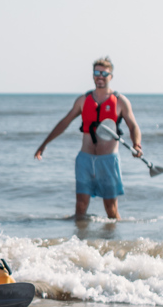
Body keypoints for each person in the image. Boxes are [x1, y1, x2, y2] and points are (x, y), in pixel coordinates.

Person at [34, 56, 143, 220]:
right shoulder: (83, 100)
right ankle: (79, 243)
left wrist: (137, 144)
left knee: (111, 209)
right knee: (80, 206)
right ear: (93, 75)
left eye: (104, 73)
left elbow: (133, 126)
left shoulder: (120, 101)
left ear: (111, 76)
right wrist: (44, 144)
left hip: (108, 160)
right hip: (85, 160)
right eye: (97, 72)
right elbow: (65, 122)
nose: (100, 76)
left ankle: (114, 243)